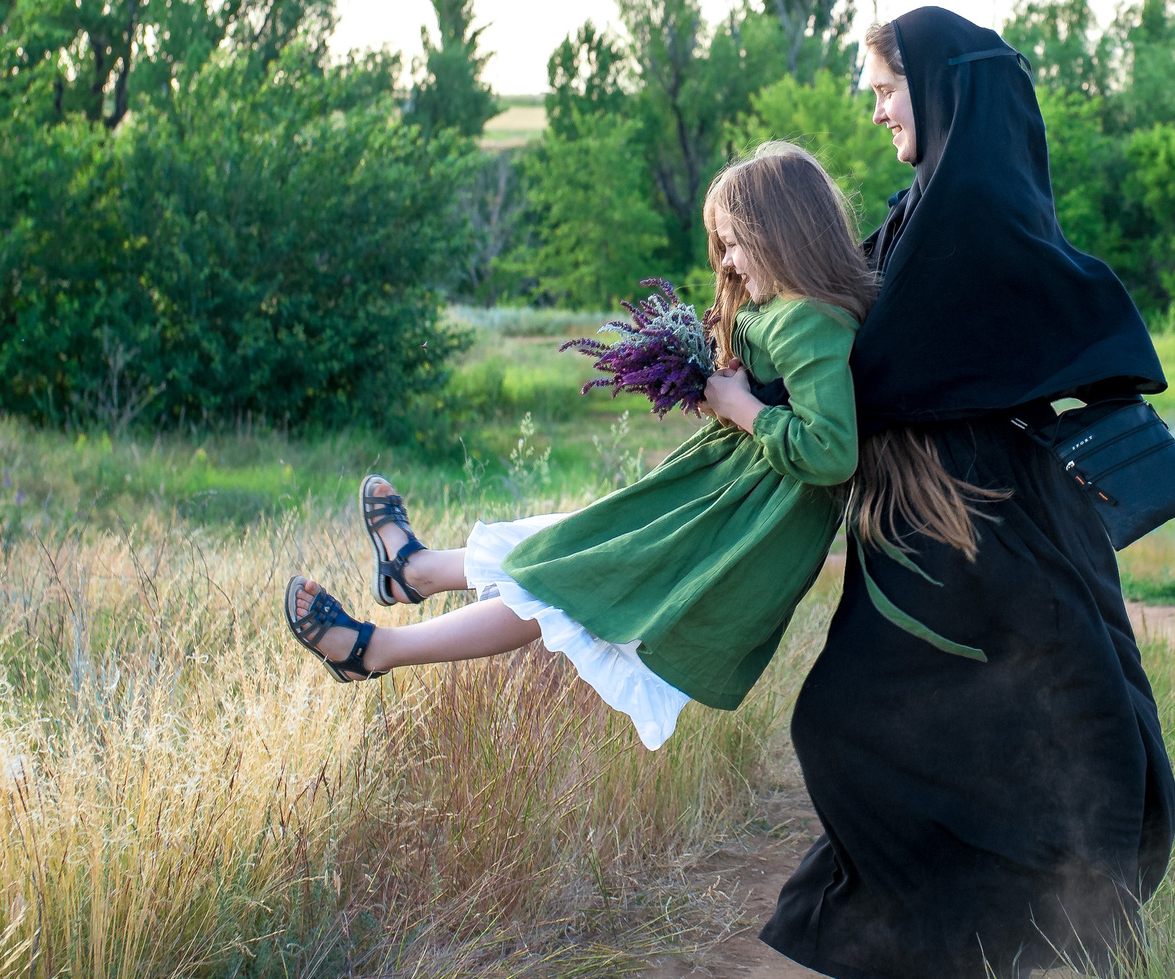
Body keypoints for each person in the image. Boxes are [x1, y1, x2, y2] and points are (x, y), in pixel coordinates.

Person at [761, 7, 1175, 979]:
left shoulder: (978, 216)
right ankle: (933, 960)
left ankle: (984, 950)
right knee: (888, 727)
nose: (875, 110)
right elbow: (850, 331)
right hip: (928, 525)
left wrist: (760, 398)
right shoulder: (923, 208)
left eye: (886, 88)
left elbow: (886, 362)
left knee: (911, 720)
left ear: (940, 89)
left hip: (984, 522)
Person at [280, 142, 870, 750]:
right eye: (722, 246)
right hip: (715, 502)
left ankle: (373, 648)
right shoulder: (780, 309)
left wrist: (741, 408)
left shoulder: (811, 321)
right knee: (570, 551)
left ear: (784, 233)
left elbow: (829, 451)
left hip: (737, 526)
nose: (729, 262)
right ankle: (416, 572)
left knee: (569, 582)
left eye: (736, 244)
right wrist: (721, 395)